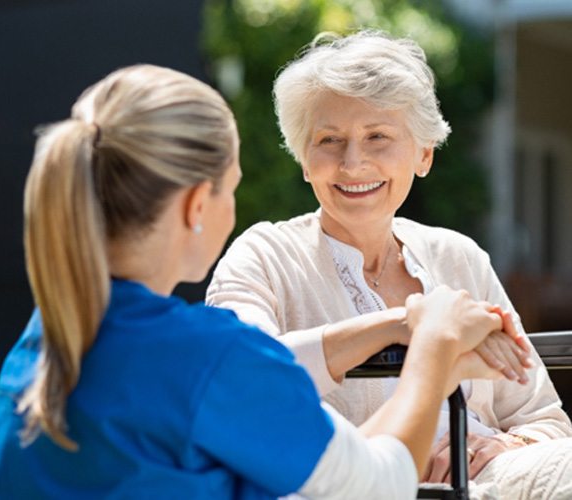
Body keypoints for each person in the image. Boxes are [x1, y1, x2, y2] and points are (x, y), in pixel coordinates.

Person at [0, 64, 514, 499]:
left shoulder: (45, 341)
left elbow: (318, 457)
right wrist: (435, 346)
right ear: (198, 205)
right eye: (233, 189)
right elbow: (377, 483)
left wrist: (396, 323)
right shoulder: (208, 358)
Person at [206, 29, 572, 488]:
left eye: (377, 136)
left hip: (498, 479)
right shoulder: (263, 255)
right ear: (304, 159)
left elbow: (543, 418)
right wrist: (408, 324)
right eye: (328, 140)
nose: (353, 162)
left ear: (423, 154)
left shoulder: (458, 257)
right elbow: (239, 383)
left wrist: (503, 447)